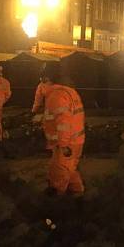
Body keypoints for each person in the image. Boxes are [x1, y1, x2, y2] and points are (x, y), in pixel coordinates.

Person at [35, 67, 86, 195]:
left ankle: (56, 207)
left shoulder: (56, 95)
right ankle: (78, 197)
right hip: (75, 141)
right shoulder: (69, 92)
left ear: (47, 80)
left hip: (66, 144)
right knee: (70, 170)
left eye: (41, 81)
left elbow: (63, 121)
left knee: (58, 175)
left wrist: (63, 145)